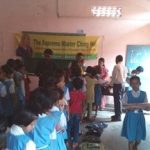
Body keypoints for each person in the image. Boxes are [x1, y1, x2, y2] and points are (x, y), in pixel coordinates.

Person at [121, 76, 150, 150]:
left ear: (140, 83)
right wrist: (138, 106)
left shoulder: (144, 94)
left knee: (138, 139)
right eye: (132, 83)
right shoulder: (127, 94)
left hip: (140, 117)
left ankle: (135, 145)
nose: (134, 85)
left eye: (136, 83)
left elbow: (147, 107)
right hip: (130, 117)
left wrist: (145, 107)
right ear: (130, 84)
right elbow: (124, 106)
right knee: (131, 139)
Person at [68, 77, 85, 149]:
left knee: (69, 127)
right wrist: (82, 113)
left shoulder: (70, 93)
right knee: (76, 127)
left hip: (71, 112)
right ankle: (75, 142)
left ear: (73, 85)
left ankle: (67, 141)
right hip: (78, 112)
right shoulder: (82, 94)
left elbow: (69, 103)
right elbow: (83, 104)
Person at [111, 55, 127, 121]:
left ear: (117, 59)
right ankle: (118, 115)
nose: (115, 60)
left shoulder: (116, 66)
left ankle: (117, 116)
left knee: (117, 100)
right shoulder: (125, 67)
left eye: (115, 59)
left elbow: (114, 77)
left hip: (117, 85)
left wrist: (110, 84)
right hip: (123, 85)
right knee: (120, 100)